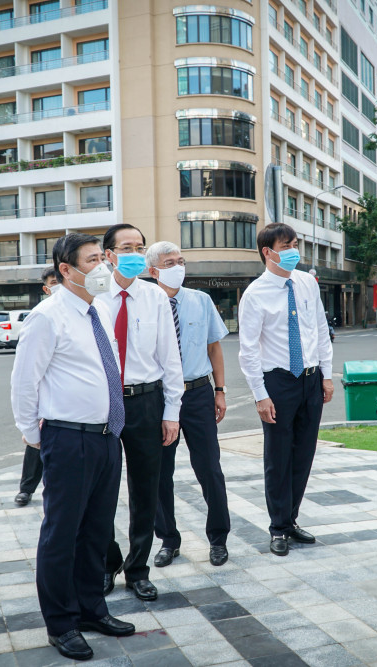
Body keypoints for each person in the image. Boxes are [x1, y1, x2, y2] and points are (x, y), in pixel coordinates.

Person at [10, 233, 135, 661]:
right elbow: (24, 382)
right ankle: (61, 623)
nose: (103, 266)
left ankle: (91, 610)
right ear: (66, 269)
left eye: (103, 258)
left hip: (105, 437)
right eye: (93, 260)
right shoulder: (48, 316)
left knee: (96, 531)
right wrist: (35, 435)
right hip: (68, 438)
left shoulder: (96, 309)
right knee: (61, 534)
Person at [238, 223, 333, 557]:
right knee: (278, 456)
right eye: (287, 245)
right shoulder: (255, 294)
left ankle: (291, 519)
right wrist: (260, 395)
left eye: (296, 244)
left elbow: (321, 330)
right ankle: (278, 527)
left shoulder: (307, 282)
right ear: (268, 251)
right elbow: (247, 350)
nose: (294, 250)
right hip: (278, 382)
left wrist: (326, 374)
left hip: (310, 378)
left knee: (304, 452)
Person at [100, 224, 183, 601]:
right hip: (100, 403)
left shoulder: (154, 296)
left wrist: (172, 411)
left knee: (145, 490)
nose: (134, 253)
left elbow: (170, 358)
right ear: (108, 255)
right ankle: (106, 561)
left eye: (140, 247)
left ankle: (137, 569)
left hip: (146, 402)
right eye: (126, 247)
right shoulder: (94, 294)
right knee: (98, 490)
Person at [145, 242, 232, 568]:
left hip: (197, 394)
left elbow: (214, 349)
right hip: (157, 397)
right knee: (159, 472)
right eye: (170, 262)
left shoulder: (201, 300)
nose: (178, 266)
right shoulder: (145, 304)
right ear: (153, 271)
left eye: (181, 260)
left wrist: (220, 391)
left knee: (209, 467)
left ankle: (219, 538)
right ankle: (168, 539)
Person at [14, 267, 61, 507]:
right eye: (54, 282)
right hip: (42, 396)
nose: (59, 285)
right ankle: (26, 488)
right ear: (46, 289)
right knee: (34, 442)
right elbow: (25, 372)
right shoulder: (41, 316)